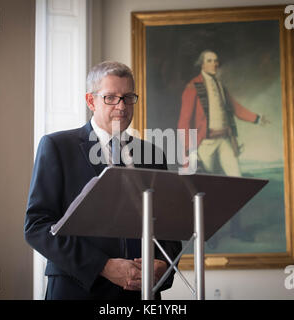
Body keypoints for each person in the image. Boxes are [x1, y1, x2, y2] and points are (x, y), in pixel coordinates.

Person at [24, 61, 182, 300]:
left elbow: (169, 229)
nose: (122, 106)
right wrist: (104, 266)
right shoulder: (57, 147)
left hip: (140, 296)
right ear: (91, 101)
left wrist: (163, 266)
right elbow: (37, 227)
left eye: (128, 97)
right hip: (77, 290)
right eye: (111, 97)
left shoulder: (153, 155)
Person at [178, 50, 269, 242]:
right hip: (204, 143)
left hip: (224, 141)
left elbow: (236, 108)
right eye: (210, 61)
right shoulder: (192, 87)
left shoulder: (220, 85)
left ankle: (237, 229)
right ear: (202, 64)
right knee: (205, 189)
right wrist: (190, 150)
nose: (214, 64)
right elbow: (184, 121)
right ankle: (206, 234)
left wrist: (257, 118)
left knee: (237, 182)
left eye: (216, 61)